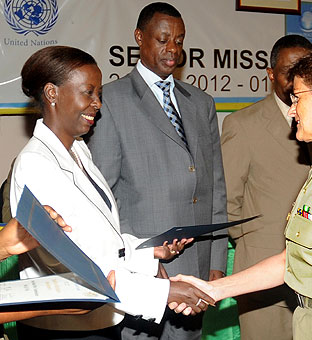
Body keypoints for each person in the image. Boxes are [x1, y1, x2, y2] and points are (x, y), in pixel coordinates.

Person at [172, 45, 312, 340]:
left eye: (297, 98)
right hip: (310, 321)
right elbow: (289, 261)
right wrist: (212, 289)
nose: (292, 110)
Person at [9, 45, 214, 340]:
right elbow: (72, 262)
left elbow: (99, 239)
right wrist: (163, 292)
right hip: (65, 329)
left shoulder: (78, 150)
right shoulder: (35, 164)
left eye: (99, 94)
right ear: (52, 94)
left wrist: (148, 252)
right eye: (88, 93)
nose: (97, 104)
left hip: (97, 320)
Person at [87, 2, 227, 339]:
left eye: (179, 41)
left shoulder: (201, 103)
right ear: (139, 37)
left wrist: (217, 263)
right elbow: (102, 202)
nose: (173, 50)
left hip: (195, 271)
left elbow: (214, 188)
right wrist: (136, 260)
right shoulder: (111, 102)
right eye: (163, 39)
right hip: (142, 275)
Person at [220, 34, 312, 340]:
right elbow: (228, 202)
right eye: (289, 71)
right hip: (264, 279)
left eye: (306, 69)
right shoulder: (242, 125)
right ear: (271, 74)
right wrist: (254, 245)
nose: (296, 79)